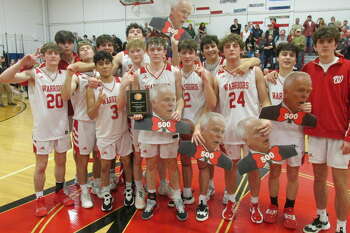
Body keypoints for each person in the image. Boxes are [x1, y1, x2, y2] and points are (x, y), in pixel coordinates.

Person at [194, 33, 271, 223]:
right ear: (223, 51)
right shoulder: (218, 75)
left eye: (234, 45)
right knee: (231, 167)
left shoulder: (255, 71)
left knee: (254, 168)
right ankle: (231, 200)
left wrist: (267, 118)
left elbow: (265, 100)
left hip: (252, 128)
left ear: (241, 49)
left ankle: (254, 204)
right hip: (229, 129)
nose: (231, 49)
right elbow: (212, 104)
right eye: (227, 46)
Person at [0, 43, 74, 216]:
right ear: (43, 56)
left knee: (61, 162)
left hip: (61, 127)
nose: (53, 56)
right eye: (49, 53)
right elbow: (4, 78)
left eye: (56, 53)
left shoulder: (65, 74)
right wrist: (21, 63)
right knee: (41, 166)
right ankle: (39, 199)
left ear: (59, 56)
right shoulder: (35, 74)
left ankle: (59, 192)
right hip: (42, 130)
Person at [301, 26, 350, 233]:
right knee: (319, 180)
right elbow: (299, 98)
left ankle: (341, 226)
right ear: (316, 45)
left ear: (335, 44)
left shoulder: (348, 67)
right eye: (321, 42)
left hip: (341, 136)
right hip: (316, 134)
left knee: (340, 185)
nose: (325, 45)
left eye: (329, 41)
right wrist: (302, 107)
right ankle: (322, 218)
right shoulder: (308, 69)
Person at [132, 37, 186, 221]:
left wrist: (178, 110)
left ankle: (177, 197)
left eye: (159, 49)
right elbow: (137, 100)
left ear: (165, 52)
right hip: (148, 127)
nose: (156, 53)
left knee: (172, 164)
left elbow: (180, 97)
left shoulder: (175, 72)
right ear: (147, 51)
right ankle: (152, 197)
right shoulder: (139, 73)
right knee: (151, 164)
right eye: (152, 49)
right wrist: (137, 113)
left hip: (169, 126)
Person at [261, 72, 314, 229]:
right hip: (276, 140)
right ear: (286, 92)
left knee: (293, 175)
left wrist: (307, 113)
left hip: (296, 144)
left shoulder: (308, 110)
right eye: (300, 90)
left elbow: (314, 124)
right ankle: (273, 205)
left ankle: (289, 208)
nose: (304, 95)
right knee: (274, 173)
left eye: (307, 91)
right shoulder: (270, 110)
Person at [171, 39, 217, 219]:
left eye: (191, 52)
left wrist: (205, 79)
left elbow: (212, 103)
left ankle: (203, 200)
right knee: (185, 161)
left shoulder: (204, 73)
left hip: (202, 126)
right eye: (184, 52)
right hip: (182, 125)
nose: (188, 55)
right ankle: (188, 194)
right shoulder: (175, 74)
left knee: (203, 164)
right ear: (180, 54)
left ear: (196, 54)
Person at [86, 51, 134, 211]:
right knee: (105, 166)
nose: (105, 66)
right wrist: (99, 102)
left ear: (112, 65)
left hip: (122, 131)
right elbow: (91, 114)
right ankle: (106, 194)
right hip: (104, 134)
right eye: (101, 64)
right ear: (96, 67)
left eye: (108, 63)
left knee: (127, 162)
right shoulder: (92, 87)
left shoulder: (122, 82)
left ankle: (128, 189)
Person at [61, 41, 98, 208]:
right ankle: (84, 191)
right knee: (83, 159)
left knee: (99, 156)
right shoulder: (76, 75)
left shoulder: (102, 70)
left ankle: (97, 184)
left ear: (93, 51)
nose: (85, 50)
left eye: (88, 47)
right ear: (79, 55)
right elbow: (66, 95)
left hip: (102, 122)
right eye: (81, 49)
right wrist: (69, 74)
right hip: (82, 122)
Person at [193, 112, 226, 221]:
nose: (219, 134)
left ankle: (229, 194)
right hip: (199, 126)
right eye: (217, 131)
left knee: (209, 163)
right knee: (202, 165)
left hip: (213, 122)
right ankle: (201, 199)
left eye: (221, 132)